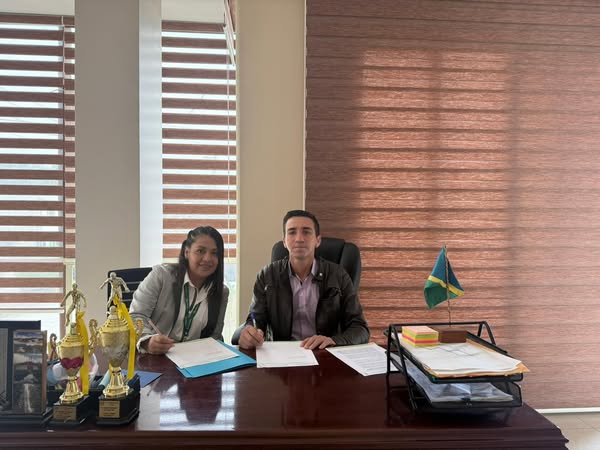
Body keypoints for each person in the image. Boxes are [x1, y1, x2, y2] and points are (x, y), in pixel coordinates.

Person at [238, 209, 369, 350]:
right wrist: (249, 333)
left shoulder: (339, 275)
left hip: (325, 353)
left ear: (317, 240)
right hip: (282, 354)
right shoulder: (266, 276)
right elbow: (255, 319)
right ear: (284, 241)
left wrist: (333, 340)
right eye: (292, 232)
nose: (299, 239)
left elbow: (360, 329)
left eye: (306, 232)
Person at [129, 226, 229, 355]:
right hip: (156, 358)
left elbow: (215, 336)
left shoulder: (221, 292)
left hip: (194, 360)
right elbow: (136, 316)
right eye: (200, 251)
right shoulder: (161, 276)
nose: (207, 258)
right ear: (187, 252)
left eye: (214, 253)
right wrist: (147, 341)